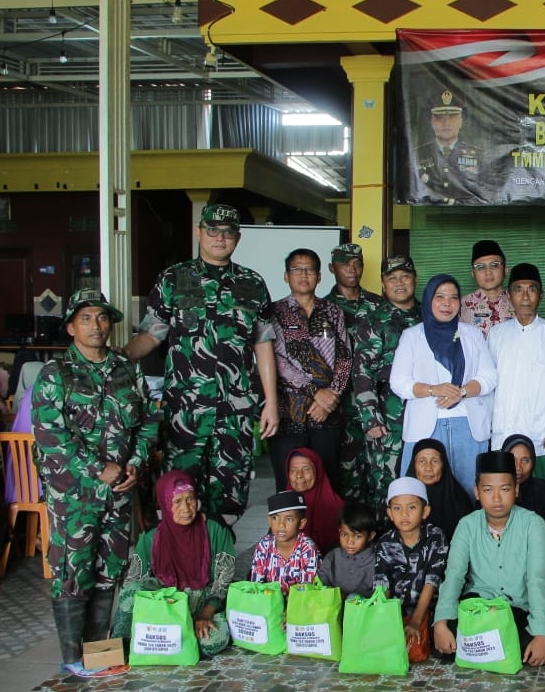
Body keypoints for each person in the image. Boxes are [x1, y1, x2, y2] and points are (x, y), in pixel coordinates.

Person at [125, 203, 279, 521]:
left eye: (228, 232)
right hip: (185, 411)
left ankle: (220, 551)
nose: (219, 238)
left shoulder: (252, 283)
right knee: (180, 492)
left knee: (229, 496)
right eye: (212, 230)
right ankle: (184, 554)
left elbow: (263, 344)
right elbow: (151, 335)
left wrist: (271, 403)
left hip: (235, 411)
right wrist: (116, 356)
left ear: (237, 238)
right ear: (199, 233)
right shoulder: (173, 279)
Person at [32, 289, 157, 676]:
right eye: (85, 318)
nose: (95, 325)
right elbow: (51, 436)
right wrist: (98, 468)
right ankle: (72, 657)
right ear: (71, 327)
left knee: (110, 569)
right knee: (73, 570)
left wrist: (134, 464)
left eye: (101, 318)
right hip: (75, 496)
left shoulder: (127, 370)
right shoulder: (56, 374)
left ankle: (98, 652)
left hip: (119, 493)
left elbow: (148, 421)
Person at [433, 451, 545, 666]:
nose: (497, 498)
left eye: (505, 489)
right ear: (477, 492)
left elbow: (537, 579)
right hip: (478, 610)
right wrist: (441, 623)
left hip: (517, 611)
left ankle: (485, 650)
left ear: (516, 490)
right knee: (448, 636)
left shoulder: (533, 524)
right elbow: (454, 575)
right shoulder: (467, 525)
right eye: (488, 490)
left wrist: (542, 633)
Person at [392, 274, 498, 497]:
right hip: (426, 427)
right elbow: (399, 382)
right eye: (439, 297)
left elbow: (489, 377)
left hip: (468, 426)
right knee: (422, 495)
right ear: (428, 299)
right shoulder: (412, 336)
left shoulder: (472, 334)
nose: (447, 303)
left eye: (453, 297)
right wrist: (434, 389)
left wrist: (462, 391)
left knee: (469, 491)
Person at [112, 471, 236, 658]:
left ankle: (176, 639)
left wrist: (206, 613)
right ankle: (120, 647)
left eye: (190, 499)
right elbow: (134, 582)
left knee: (213, 642)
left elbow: (223, 579)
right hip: (165, 605)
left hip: (204, 604)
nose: (186, 509)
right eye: (177, 502)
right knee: (130, 593)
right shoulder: (151, 537)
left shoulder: (215, 529)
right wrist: (159, 610)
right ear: (164, 503)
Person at [270, 248, 353, 494]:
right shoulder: (274, 312)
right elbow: (277, 360)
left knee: (329, 482)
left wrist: (332, 396)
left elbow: (345, 356)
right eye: (297, 269)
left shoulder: (333, 312)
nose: (303, 275)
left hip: (327, 413)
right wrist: (315, 392)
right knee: (289, 484)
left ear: (319, 276)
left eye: (309, 270)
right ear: (286, 276)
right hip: (289, 414)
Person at [487, 262, 545, 481]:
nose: (525, 296)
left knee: (542, 491)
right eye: (518, 289)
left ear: (541, 295)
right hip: (502, 432)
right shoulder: (496, 334)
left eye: (531, 289)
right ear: (509, 295)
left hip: (541, 436)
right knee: (502, 490)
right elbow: (489, 385)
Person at [351, 255, 423, 509]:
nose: (399, 283)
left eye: (405, 276)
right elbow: (362, 372)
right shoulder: (373, 319)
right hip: (387, 419)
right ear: (383, 284)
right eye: (392, 278)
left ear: (415, 279)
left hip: (425, 415)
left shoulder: (430, 314)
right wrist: (370, 418)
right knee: (388, 484)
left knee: (424, 481)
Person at [324, 242, 383, 503]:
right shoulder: (323, 308)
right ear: (332, 268)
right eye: (344, 264)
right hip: (338, 406)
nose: (352, 269)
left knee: (378, 470)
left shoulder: (378, 305)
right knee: (344, 473)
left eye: (357, 263)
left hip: (374, 403)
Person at [374, 476, 449, 663]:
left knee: (439, 646)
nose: (404, 514)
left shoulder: (435, 537)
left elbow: (432, 580)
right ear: (390, 513)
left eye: (412, 507)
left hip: (429, 608)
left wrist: (416, 620)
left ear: (425, 511)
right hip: (397, 609)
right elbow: (382, 586)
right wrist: (387, 621)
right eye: (397, 508)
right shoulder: (385, 542)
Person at [413, 89, 483, 204]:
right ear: (431, 121)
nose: (446, 123)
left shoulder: (479, 156)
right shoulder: (416, 154)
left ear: (461, 121)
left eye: (452, 117)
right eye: (439, 118)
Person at [250, 490, 319, 594]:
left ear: (301, 523)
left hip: (298, 602)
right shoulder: (264, 546)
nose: (281, 525)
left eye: (289, 519)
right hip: (268, 601)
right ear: (269, 521)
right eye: (275, 518)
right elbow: (256, 586)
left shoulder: (308, 549)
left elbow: (306, 591)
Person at [405, 438, 473, 540]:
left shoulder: (459, 498)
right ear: (413, 465)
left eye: (435, 461)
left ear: (443, 465)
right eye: (422, 461)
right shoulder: (402, 497)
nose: (428, 468)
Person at [285, 448, 344, 554]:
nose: (299, 475)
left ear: (318, 471)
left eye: (306, 470)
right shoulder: (282, 506)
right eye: (293, 470)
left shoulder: (337, 507)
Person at [318, 500, 378, 599]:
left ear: (371, 536)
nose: (350, 542)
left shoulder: (377, 561)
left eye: (358, 536)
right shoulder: (332, 557)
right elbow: (320, 586)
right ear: (339, 531)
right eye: (344, 535)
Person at [503, 434, 545, 529]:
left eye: (525, 460)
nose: (518, 467)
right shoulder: (490, 494)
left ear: (533, 462)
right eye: (512, 460)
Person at [460, 240, 514, 335]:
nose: (488, 272)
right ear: (473, 274)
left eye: (495, 265)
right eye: (480, 267)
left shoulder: (517, 302)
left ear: (505, 270)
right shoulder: (462, 305)